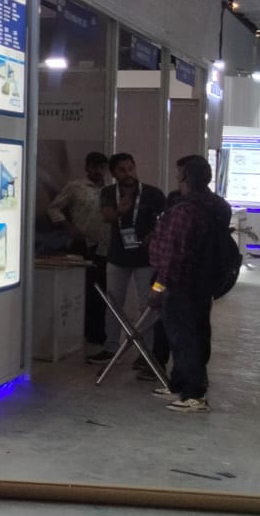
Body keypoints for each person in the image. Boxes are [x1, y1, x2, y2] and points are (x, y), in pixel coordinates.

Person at [146, 156, 230, 413]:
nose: (176, 177)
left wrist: (157, 288)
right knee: (198, 333)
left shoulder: (184, 211)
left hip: (180, 284)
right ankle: (180, 383)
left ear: (185, 178)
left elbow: (173, 256)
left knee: (183, 338)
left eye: (179, 173)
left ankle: (194, 393)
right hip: (203, 283)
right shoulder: (217, 205)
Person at [93, 153, 165, 365]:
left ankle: (146, 352)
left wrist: (154, 233)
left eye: (130, 168)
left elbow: (165, 220)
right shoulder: (108, 192)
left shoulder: (152, 193)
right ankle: (111, 347)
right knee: (113, 302)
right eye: (122, 170)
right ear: (113, 173)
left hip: (146, 258)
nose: (128, 174)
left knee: (147, 305)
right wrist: (120, 211)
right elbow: (107, 216)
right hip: (117, 256)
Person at [47, 152, 110, 349]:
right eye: (94, 167)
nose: (98, 171)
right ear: (87, 167)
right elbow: (53, 208)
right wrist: (69, 227)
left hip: (104, 245)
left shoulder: (110, 189)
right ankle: (77, 333)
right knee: (82, 289)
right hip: (81, 244)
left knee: (101, 290)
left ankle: (98, 333)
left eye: (102, 167)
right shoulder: (75, 186)